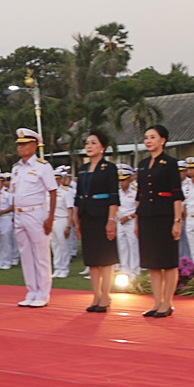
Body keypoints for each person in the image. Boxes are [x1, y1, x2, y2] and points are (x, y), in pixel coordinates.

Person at [134, 124, 184, 317]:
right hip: (146, 216)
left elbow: (177, 194)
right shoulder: (142, 164)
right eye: (146, 137)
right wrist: (137, 221)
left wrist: (177, 220)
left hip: (165, 215)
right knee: (153, 262)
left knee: (168, 261)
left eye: (152, 137)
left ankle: (167, 302)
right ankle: (156, 302)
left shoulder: (170, 163)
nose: (148, 141)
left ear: (163, 140)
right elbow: (140, 195)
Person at [10, 129, 58, 308]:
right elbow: (14, 193)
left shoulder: (42, 166)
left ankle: (43, 294)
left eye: (24, 144)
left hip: (36, 213)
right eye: (19, 145)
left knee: (41, 255)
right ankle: (31, 291)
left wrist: (50, 217)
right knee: (26, 255)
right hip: (19, 213)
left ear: (34, 146)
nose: (20, 148)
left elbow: (53, 192)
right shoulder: (16, 168)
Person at [73, 130, 119, 312]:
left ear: (103, 147)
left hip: (102, 216)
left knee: (105, 258)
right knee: (92, 259)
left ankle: (106, 295)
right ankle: (96, 295)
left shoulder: (109, 168)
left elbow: (114, 197)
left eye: (93, 143)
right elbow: (78, 197)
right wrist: (76, 220)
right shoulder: (82, 169)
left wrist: (111, 220)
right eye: (87, 143)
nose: (89, 146)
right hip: (86, 216)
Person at [116, 165, 140, 276]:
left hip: (131, 221)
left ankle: (135, 271)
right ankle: (124, 269)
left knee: (133, 246)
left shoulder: (135, 192)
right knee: (122, 246)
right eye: (120, 180)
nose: (121, 183)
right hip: (120, 221)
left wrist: (129, 217)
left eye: (124, 180)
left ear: (130, 179)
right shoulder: (118, 192)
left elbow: (139, 209)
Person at [51, 167, 75, 278]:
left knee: (64, 245)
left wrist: (68, 226)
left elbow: (70, 209)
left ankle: (64, 269)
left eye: (57, 179)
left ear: (61, 180)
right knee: (55, 246)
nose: (55, 181)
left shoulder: (66, 192)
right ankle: (57, 268)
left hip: (62, 219)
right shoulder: (48, 193)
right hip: (52, 220)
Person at [0, 174, 16, 270]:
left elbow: (12, 206)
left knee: (6, 240)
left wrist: (2, 212)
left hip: (6, 217)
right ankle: (0, 262)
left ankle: (7, 262)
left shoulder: (8, 193)